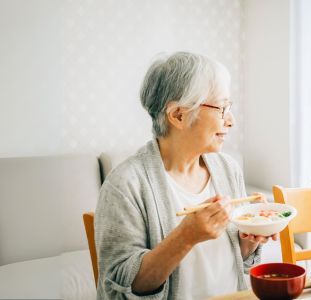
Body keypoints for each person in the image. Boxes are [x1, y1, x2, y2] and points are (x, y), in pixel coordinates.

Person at [95, 52, 274, 300]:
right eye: (222, 108)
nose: (230, 120)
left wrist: (251, 238)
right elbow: (121, 289)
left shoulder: (227, 168)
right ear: (178, 115)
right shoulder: (125, 185)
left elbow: (230, 261)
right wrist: (186, 236)